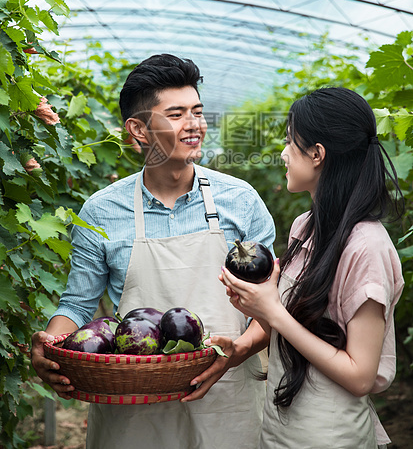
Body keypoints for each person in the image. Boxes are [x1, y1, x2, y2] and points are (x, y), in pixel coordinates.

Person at [31, 53, 275, 449]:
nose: (195, 124)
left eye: (197, 111)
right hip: (131, 401)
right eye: (176, 114)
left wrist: (239, 350)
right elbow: (77, 304)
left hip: (226, 395)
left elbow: (272, 304)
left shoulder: (240, 200)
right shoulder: (102, 210)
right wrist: (50, 348)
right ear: (138, 129)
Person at [220, 87, 404, 449]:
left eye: (290, 142)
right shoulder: (305, 227)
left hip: (330, 434)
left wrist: (274, 311)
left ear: (318, 154)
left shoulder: (367, 246)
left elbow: (360, 376)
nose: (283, 153)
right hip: (282, 423)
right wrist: (259, 307)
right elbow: (307, 328)